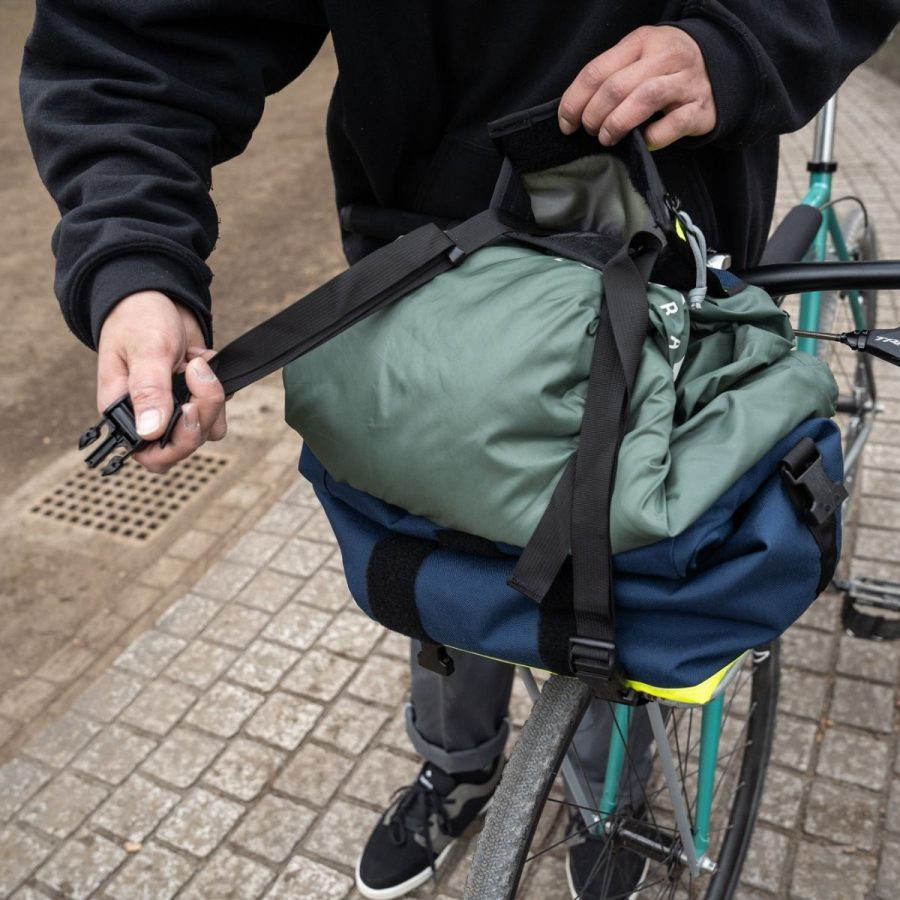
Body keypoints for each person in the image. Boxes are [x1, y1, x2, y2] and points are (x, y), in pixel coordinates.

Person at [20, 3, 897, 897]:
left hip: (659, 251)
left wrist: (742, 44)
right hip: (427, 261)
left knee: (614, 571)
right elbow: (139, 36)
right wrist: (135, 257)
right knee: (434, 555)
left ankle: (610, 800)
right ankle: (458, 767)